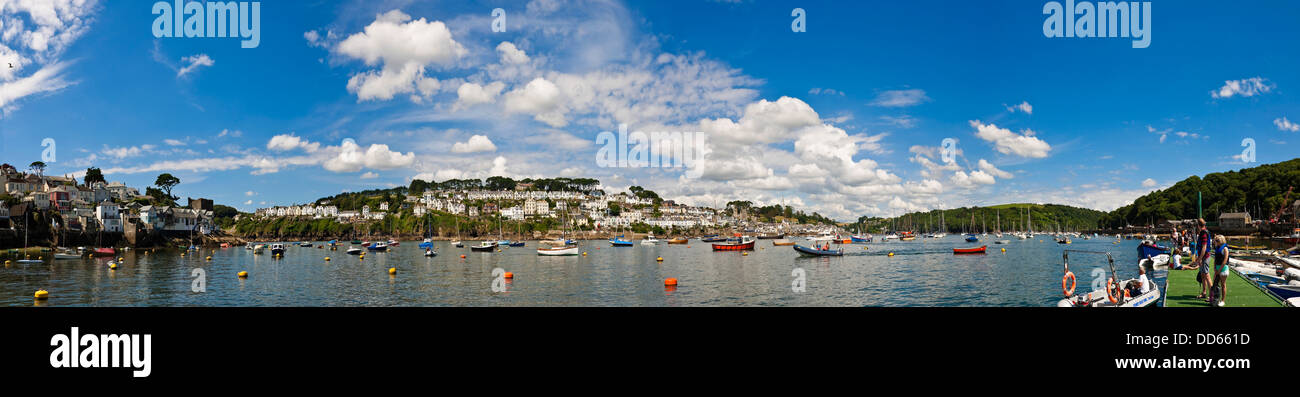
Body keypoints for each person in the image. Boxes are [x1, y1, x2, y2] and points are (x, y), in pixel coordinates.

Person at [1193, 219, 1212, 299]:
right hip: (1203, 256)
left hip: (1205, 256)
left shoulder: (1203, 233)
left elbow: (1204, 247)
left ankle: (1212, 295)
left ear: (1198, 225)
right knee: (1203, 275)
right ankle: (1204, 293)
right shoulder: (1203, 232)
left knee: (1207, 275)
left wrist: (1199, 258)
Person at [1211, 235, 1230, 306]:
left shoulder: (1225, 249)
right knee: (1215, 284)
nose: (1215, 242)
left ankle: (1223, 300)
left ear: (1221, 241)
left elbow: (1225, 261)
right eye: (1215, 241)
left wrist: (1219, 270)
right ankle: (1215, 298)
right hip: (1217, 268)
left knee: (1223, 284)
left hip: (1223, 269)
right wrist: (1215, 268)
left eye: (1217, 241)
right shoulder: (1217, 248)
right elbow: (1215, 259)